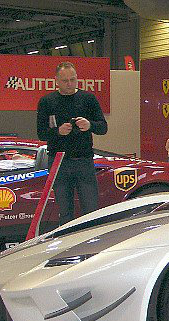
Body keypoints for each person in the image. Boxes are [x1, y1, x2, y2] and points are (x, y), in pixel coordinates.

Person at [36, 61, 108, 224]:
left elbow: (103, 127)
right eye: (65, 81)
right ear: (56, 80)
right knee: (64, 211)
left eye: (73, 80)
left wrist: (89, 125)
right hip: (59, 161)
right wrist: (58, 132)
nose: (69, 84)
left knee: (90, 209)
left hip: (84, 160)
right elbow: (41, 133)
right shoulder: (47, 102)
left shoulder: (88, 98)